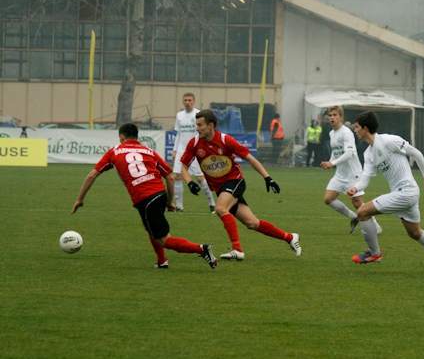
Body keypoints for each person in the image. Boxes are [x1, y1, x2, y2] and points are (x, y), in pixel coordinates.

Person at [71, 123, 217, 269]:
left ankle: (202, 249)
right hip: (159, 194)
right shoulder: (149, 151)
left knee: (165, 240)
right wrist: (169, 201)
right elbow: (170, 177)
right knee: (149, 227)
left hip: (146, 199)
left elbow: (92, 175)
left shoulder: (114, 152)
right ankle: (162, 261)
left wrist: (79, 199)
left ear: (121, 137)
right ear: (137, 137)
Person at [347, 110, 424, 274]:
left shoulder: (389, 140)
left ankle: (374, 254)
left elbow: (415, 153)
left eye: (356, 127)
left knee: (363, 212)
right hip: (403, 195)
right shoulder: (368, 153)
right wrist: (356, 188)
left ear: (364, 128)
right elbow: (365, 178)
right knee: (415, 232)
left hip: (406, 192)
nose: (354, 130)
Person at [181, 109, 301, 261]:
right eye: (196, 125)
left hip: (235, 181)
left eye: (200, 125)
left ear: (211, 125)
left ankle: (237, 249)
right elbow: (183, 167)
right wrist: (190, 182)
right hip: (220, 188)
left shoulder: (225, 140)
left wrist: (267, 178)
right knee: (252, 223)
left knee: (220, 208)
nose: (197, 129)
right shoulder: (195, 143)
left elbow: (250, 159)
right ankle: (290, 237)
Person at [320, 105, 380, 234]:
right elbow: (336, 152)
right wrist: (330, 162)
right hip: (340, 173)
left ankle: (375, 225)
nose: (332, 118)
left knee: (357, 203)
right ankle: (353, 216)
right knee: (328, 199)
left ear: (341, 117)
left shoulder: (346, 132)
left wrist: (332, 163)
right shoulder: (332, 133)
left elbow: (348, 153)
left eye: (335, 115)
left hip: (353, 173)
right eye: (330, 115)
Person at [172, 92, 216, 213]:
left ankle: (212, 204)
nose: (187, 102)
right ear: (182, 101)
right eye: (185, 100)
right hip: (182, 150)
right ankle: (179, 206)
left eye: (190, 100)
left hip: (196, 150)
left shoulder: (199, 115)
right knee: (177, 176)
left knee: (200, 178)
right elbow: (179, 134)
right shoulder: (179, 116)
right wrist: (175, 151)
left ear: (194, 101)